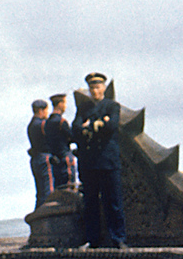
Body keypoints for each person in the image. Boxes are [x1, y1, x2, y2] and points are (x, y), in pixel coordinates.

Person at [72, 73, 126, 248]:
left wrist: (91, 126)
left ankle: (118, 238)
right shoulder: (83, 108)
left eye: (98, 87)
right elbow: (76, 129)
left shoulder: (112, 106)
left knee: (114, 201)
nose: (95, 90)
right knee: (91, 203)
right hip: (89, 163)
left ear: (103, 88)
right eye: (92, 88)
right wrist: (100, 122)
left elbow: (112, 126)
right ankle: (93, 240)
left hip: (108, 161)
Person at [46, 92, 77, 192]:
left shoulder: (47, 123)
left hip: (55, 159)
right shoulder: (61, 122)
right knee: (69, 187)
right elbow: (72, 137)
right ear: (60, 104)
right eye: (65, 103)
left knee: (58, 188)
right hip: (65, 157)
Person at [28, 99, 55, 201]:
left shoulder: (31, 125)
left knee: (40, 191)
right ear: (41, 111)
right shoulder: (43, 124)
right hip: (45, 157)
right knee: (49, 188)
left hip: (36, 158)